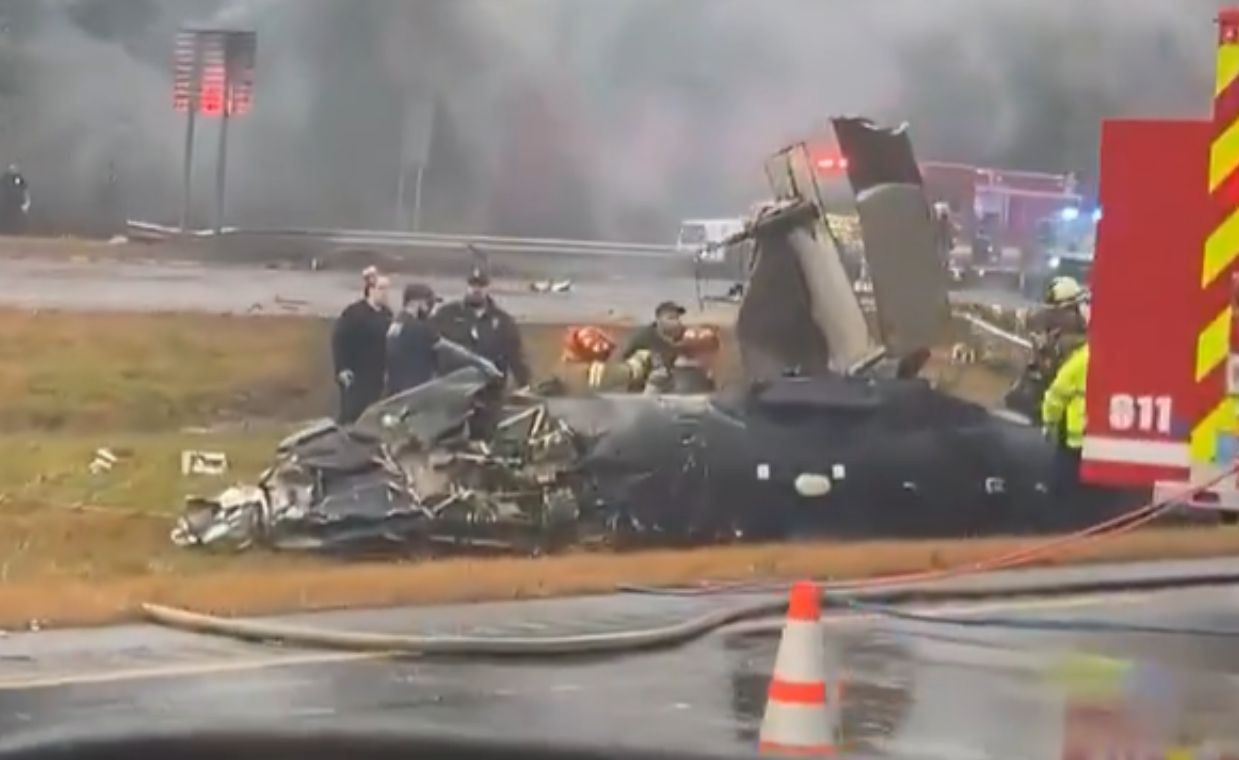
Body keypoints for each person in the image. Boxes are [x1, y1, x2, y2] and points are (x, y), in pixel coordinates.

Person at [434, 269, 531, 388]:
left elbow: (516, 355)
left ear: (488, 288)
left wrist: (525, 383)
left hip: (490, 387)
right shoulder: (447, 314)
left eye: (481, 286)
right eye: (472, 285)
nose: (476, 290)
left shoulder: (502, 320)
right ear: (467, 287)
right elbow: (433, 344)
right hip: (454, 387)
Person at [331, 274, 393, 424]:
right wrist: (341, 368)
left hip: (377, 373)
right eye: (381, 288)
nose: (385, 293)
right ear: (370, 290)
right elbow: (338, 339)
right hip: (356, 373)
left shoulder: (386, 314)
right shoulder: (354, 313)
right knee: (352, 413)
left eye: (387, 289)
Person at [1041, 340, 1089, 501]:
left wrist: (1050, 422)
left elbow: (1055, 396)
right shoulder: (1125, 360)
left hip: (1077, 441)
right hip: (1110, 442)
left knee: (1064, 487)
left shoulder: (1082, 359)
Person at [385, 283, 443, 396]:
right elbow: (443, 352)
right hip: (415, 392)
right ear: (416, 303)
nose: (430, 308)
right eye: (427, 303)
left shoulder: (396, 323)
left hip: (396, 390)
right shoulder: (420, 328)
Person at [622, 301, 688, 372]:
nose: (676, 322)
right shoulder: (642, 335)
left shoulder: (679, 335)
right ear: (658, 320)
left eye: (677, 318)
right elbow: (621, 359)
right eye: (671, 318)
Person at [0, 164, 30, 235]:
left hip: (16, 203)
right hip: (7, 203)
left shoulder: (16, 179)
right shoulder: (5, 179)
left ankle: (17, 231)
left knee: (15, 217)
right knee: (7, 217)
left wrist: (26, 203)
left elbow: (24, 189)